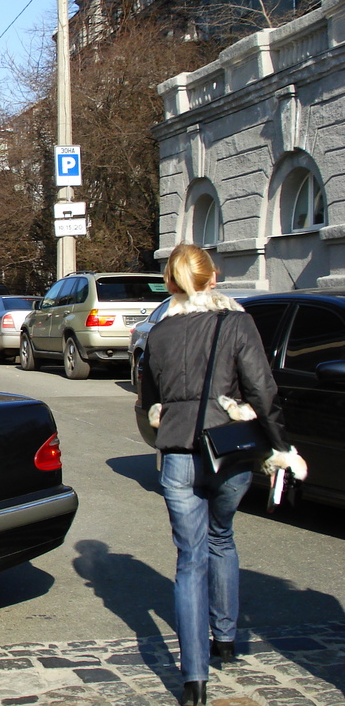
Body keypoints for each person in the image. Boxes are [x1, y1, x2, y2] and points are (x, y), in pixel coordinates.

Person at [139, 243, 307, 706]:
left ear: (171, 283)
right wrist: (281, 446)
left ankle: (194, 681)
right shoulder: (235, 321)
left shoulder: (158, 334)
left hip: (176, 452)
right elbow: (261, 387)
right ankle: (226, 638)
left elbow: (148, 398)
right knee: (222, 538)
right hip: (228, 451)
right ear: (213, 279)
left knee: (189, 559)